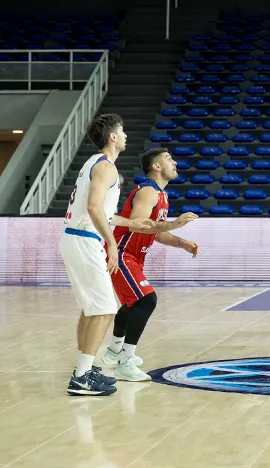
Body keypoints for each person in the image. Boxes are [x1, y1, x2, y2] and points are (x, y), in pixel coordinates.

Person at [59, 113, 154, 396]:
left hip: (75, 237)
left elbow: (103, 213)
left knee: (91, 308)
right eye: (122, 131)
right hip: (86, 240)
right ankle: (82, 376)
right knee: (105, 309)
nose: (125, 135)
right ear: (112, 137)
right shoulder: (106, 167)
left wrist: (131, 223)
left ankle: (83, 367)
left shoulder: (95, 164)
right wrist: (111, 244)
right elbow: (93, 209)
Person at [100, 148, 199, 381]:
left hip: (134, 257)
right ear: (156, 167)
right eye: (168, 159)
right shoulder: (147, 192)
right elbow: (137, 225)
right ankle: (125, 361)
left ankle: (114, 351)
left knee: (133, 304)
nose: (174, 162)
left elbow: (155, 231)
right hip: (122, 253)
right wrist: (174, 225)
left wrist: (181, 243)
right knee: (147, 300)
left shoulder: (162, 195)